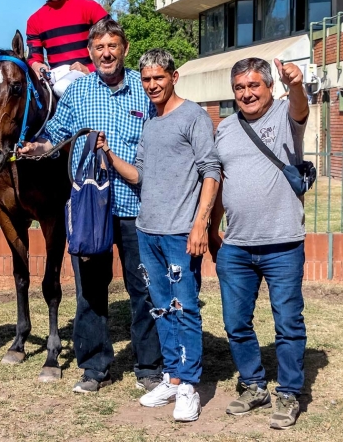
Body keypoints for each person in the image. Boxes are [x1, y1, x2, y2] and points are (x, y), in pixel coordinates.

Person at [19, 18, 164, 394]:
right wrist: (37, 147)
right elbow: (54, 134)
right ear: (90, 52)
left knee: (143, 289)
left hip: (136, 207)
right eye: (99, 47)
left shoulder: (144, 92)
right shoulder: (79, 93)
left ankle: (149, 365)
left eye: (113, 46)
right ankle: (95, 366)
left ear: (124, 49)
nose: (106, 53)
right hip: (89, 209)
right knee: (90, 292)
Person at [95, 48, 220, 422]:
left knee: (185, 308)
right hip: (147, 230)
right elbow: (140, 175)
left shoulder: (193, 116)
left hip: (181, 232)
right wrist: (109, 154)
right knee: (161, 308)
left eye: (158, 78)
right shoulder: (150, 122)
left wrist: (201, 223)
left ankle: (188, 386)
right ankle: (171, 376)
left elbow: (211, 170)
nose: (152, 85)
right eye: (146, 79)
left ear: (174, 76)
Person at [208, 57, 309, 430]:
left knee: (288, 322)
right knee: (235, 322)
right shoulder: (226, 128)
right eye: (239, 88)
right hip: (236, 245)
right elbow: (219, 181)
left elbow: (301, 107)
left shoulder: (285, 114)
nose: (246, 93)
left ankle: (288, 392)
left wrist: (296, 85)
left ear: (268, 87)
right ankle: (253, 385)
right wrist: (211, 229)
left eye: (254, 86)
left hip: (283, 242)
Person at [26, 0, 109, 77]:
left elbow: (115, 45)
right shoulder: (34, 21)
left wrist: (90, 69)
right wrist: (37, 66)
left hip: (96, 78)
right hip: (57, 84)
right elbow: (34, 58)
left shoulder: (90, 8)